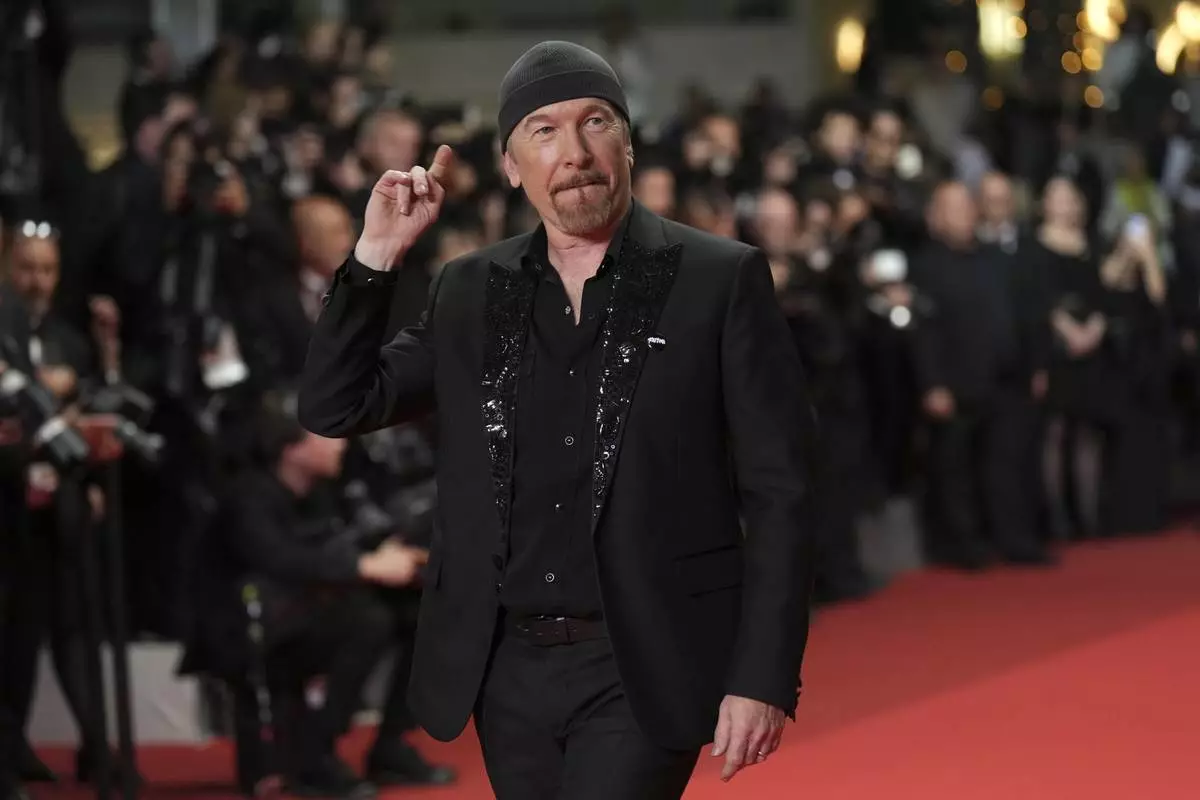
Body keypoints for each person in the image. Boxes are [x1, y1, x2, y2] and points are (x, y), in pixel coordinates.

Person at [299, 41, 817, 799]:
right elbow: (337, 404)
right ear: (512, 165)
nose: (574, 153)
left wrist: (763, 673)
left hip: (645, 656)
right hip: (505, 669)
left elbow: (782, 489)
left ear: (628, 141)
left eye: (595, 122)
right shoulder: (471, 290)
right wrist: (377, 254)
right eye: (543, 131)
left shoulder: (718, 279)